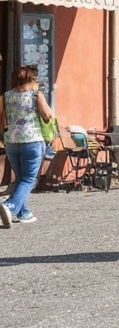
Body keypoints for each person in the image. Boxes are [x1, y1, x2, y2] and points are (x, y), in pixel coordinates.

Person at [1, 65, 54, 227]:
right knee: (29, 179)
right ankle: (10, 205)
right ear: (33, 80)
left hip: (11, 141)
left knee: (21, 178)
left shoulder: (6, 96)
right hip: (32, 140)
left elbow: (2, 121)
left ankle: (24, 213)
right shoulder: (35, 95)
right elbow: (47, 115)